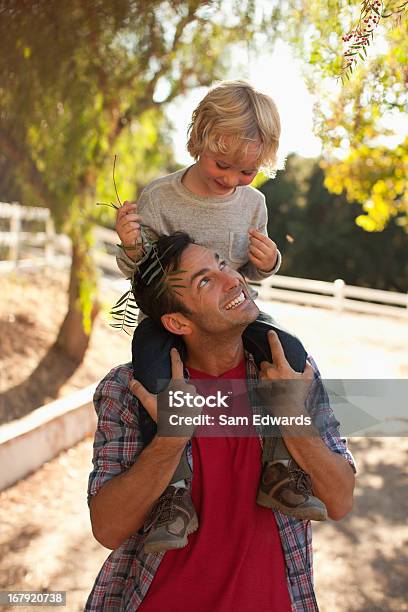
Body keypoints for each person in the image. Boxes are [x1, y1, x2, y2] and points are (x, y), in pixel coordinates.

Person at [86, 232, 356, 611]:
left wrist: (291, 415)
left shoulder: (286, 374)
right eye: (206, 281)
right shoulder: (129, 389)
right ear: (178, 322)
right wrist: (169, 438)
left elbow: (340, 500)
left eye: (222, 264)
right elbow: (108, 528)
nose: (233, 280)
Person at [114, 81, 327, 553]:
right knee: (151, 372)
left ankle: (276, 468)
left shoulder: (253, 204)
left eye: (247, 171)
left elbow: (253, 273)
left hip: (235, 312)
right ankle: (174, 491)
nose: (232, 179)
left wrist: (268, 260)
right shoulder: (160, 197)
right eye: (222, 165)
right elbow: (145, 273)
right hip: (173, 315)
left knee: (286, 349)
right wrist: (132, 248)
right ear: (199, 141)